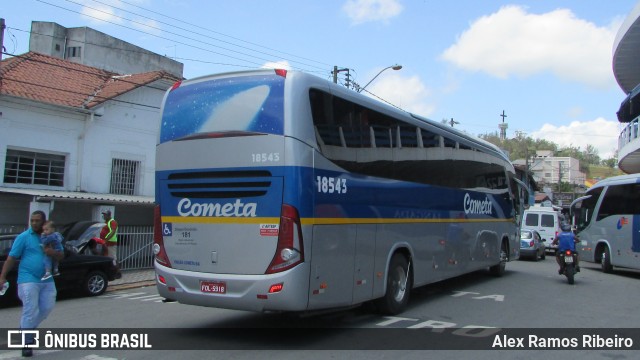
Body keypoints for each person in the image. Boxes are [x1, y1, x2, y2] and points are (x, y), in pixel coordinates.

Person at [0, 211, 64, 357]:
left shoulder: (51, 237)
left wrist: (52, 252)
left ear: (44, 222)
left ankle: (25, 329)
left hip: (47, 279)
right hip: (27, 279)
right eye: (32, 220)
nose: (34, 223)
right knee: (30, 309)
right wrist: (2, 277)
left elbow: (61, 255)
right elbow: (11, 258)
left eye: (37, 221)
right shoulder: (23, 237)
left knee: (47, 308)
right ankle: (27, 343)